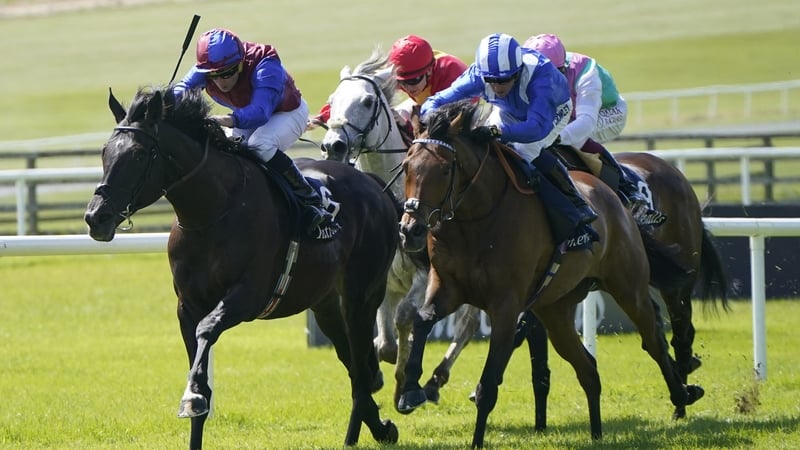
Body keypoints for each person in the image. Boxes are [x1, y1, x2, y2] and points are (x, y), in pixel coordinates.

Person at [421, 33, 598, 247]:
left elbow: (536, 128)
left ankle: (574, 213)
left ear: (518, 71)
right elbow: (435, 101)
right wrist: (431, 117)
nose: (497, 87)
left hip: (552, 112)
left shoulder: (540, 76)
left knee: (522, 152)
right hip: (509, 110)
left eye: (503, 80)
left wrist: (499, 132)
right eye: (491, 81)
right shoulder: (478, 74)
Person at [173, 28, 335, 238]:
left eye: (227, 73)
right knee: (232, 156)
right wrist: (159, 104)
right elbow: (181, 89)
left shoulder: (265, 64)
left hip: (287, 112)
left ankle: (311, 200)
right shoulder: (209, 67)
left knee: (260, 144)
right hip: (246, 114)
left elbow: (260, 112)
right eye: (213, 75)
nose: (220, 82)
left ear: (240, 62)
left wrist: (226, 120)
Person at [523, 33, 650, 211]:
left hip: (606, 113)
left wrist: (555, 137)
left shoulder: (586, 72)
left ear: (562, 69)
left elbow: (586, 121)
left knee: (574, 136)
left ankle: (628, 189)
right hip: (570, 113)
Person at [306, 34, 468, 133]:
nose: (407, 88)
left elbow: (442, 129)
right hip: (424, 104)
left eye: (413, 81)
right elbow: (358, 92)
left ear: (429, 71)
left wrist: (407, 126)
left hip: (459, 113)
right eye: (401, 82)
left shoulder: (452, 74)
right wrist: (322, 117)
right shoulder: (397, 73)